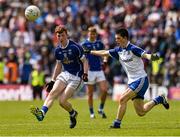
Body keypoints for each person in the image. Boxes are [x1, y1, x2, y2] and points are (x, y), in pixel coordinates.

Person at [84, 28, 169, 128]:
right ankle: (159, 99)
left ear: (125, 38)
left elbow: (146, 55)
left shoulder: (133, 48)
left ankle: (117, 123)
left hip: (141, 79)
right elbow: (105, 52)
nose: (116, 40)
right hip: (132, 81)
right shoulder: (118, 50)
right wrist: (90, 52)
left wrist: (155, 57)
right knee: (141, 112)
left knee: (122, 99)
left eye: (118, 38)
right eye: (116, 38)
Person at [30, 25, 88, 128]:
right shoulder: (57, 50)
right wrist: (52, 81)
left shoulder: (75, 47)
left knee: (62, 101)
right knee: (52, 92)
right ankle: (42, 113)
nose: (60, 38)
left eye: (62, 35)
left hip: (76, 76)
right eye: (58, 36)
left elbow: (85, 61)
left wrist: (85, 74)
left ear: (67, 35)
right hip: (65, 74)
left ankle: (73, 113)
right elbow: (58, 65)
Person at [81, 26, 108, 119]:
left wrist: (105, 61)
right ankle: (92, 112)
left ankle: (100, 108)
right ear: (88, 34)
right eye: (90, 33)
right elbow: (81, 58)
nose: (92, 35)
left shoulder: (99, 43)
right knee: (90, 94)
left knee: (105, 90)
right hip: (89, 71)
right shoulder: (84, 44)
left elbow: (105, 53)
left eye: (93, 33)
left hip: (99, 70)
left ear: (96, 34)